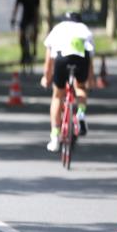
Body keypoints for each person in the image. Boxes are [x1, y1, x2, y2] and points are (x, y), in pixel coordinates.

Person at [40, 12, 95, 151]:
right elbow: (90, 58)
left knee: (58, 96)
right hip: (81, 58)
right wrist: (91, 79)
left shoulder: (58, 28)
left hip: (62, 59)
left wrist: (46, 77)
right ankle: (81, 114)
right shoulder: (84, 29)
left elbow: (48, 60)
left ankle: (54, 137)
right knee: (80, 87)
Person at [10, 0, 40, 71]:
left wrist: (36, 22)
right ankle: (23, 53)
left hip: (32, 19)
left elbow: (36, 10)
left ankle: (34, 47)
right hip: (24, 20)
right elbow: (16, 8)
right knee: (21, 37)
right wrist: (13, 18)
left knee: (33, 33)